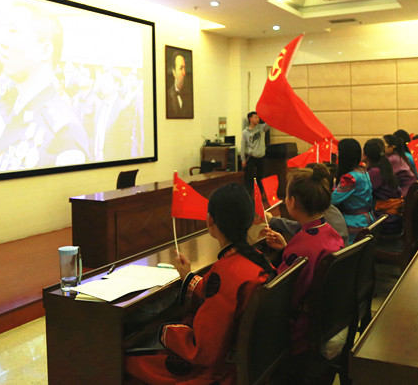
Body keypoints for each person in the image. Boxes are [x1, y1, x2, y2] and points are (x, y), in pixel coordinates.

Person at [124, 183, 274, 384]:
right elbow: (220, 295)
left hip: (219, 369)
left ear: (210, 220)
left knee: (128, 360)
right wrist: (188, 277)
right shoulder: (255, 258)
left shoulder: (227, 271)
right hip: (255, 359)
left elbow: (203, 349)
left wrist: (165, 332)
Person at [0, 4, 90, 170]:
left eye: (14, 31)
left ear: (45, 51)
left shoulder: (63, 131)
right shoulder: (13, 109)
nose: (3, 42)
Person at [261, 166, 344, 355]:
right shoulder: (330, 232)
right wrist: (286, 249)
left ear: (293, 202)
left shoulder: (302, 247)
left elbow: (279, 297)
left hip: (302, 330)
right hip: (330, 319)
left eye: (286, 195)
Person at [331, 138, 374, 243]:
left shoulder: (349, 178)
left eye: (338, 153)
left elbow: (332, 200)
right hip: (367, 219)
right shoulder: (363, 172)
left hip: (354, 223)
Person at [363, 138, 403, 232]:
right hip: (393, 216)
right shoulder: (383, 166)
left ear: (366, 155)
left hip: (385, 218)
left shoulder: (374, 172)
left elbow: (363, 193)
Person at [241, 111, 269, 199]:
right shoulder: (245, 132)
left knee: (261, 177)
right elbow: (243, 146)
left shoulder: (261, 128)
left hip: (261, 157)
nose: (258, 119)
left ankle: (260, 195)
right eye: (255, 117)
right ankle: (248, 196)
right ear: (250, 118)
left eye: (258, 117)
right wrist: (243, 160)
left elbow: (268, 124)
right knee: (250, 177)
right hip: (251, 157)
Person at [166, 51, 192, 118]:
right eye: (181, 68)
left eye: (184, 68)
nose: (184, 72)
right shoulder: (168, 95)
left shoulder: (189, 95)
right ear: (174, 73)